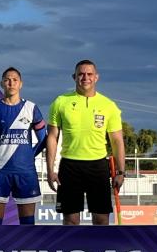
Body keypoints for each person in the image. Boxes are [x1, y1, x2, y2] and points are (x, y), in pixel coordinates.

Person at [46, 59, 125, 225]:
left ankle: (99, 251)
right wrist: (50, 170)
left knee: (102, 220)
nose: (85, 77)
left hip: (98, 166)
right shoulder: (60, 102)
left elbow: (117, 140)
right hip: (69, 166)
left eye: (89, 74)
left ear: (96, 77)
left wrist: (120, 171)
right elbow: (52, 137)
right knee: (71, 220)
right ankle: (72, 251)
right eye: (81, 74)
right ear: (74, 77)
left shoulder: (108, 105)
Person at [0, 67, 47, 225]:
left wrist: (30, 155)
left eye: (15, 80)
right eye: (7, 80)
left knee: (27, 223)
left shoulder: (31, 108)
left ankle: (27, 249)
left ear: (20, 84)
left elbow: (43, 139)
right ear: (2, 83)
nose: (11, 83)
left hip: (25, 172)